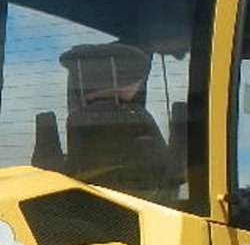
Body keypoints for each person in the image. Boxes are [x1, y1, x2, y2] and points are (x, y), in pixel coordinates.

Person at [58, 42, 172, 199]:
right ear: (123, 81)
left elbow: (70, 167)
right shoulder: (136, 116)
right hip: (137, 201)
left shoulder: (75, 120)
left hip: (85, 202)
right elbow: (165, 170)